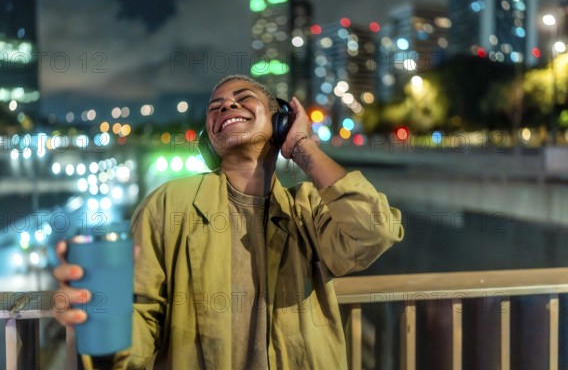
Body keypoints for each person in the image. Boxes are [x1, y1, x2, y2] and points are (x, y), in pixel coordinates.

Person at [53, 74, 404, 369]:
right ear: (209, 139)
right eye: (215, 106)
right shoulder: (168, 205)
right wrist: (101, 314)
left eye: (242, 98)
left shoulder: (308, 210)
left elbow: (375, 230)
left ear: (280, 119)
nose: (226, 106)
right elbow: (141, 317)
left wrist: (301, 146)